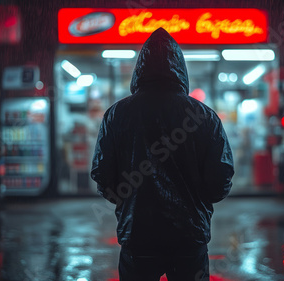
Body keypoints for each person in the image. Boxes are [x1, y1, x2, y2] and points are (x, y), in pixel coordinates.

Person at [91, 27, 234, 281]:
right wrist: (197, 201)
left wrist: (128, 201)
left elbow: (102, 174)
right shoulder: (205, 117)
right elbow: (220, 180)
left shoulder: (117, 115)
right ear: (180, 68)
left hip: (137, 236)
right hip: (190, 238)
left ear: (140, 69)